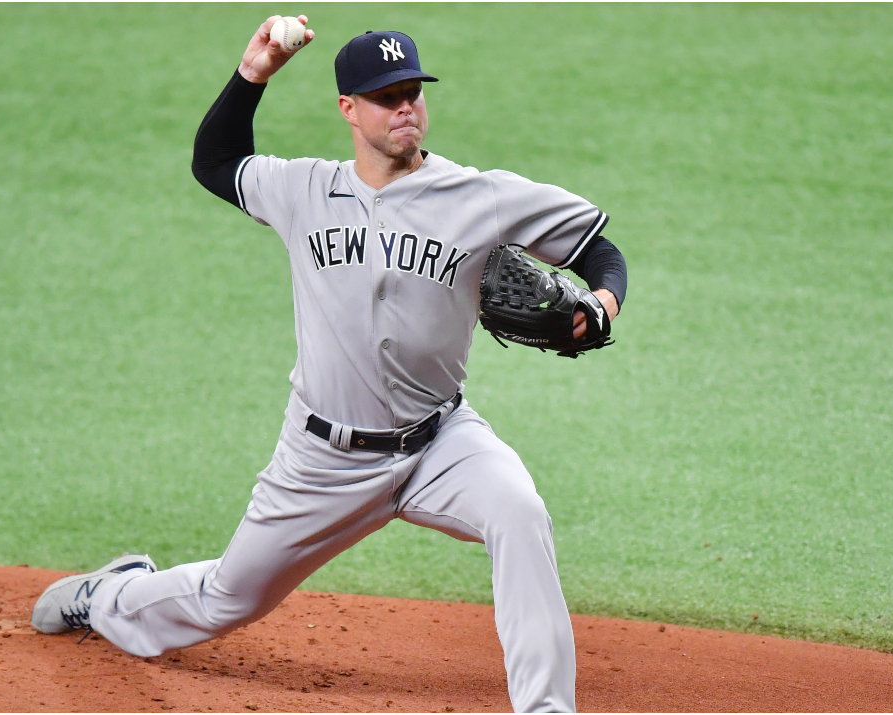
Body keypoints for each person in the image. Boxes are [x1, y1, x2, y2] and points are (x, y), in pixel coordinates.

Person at [31, 15, 627, 713]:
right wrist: (254, 73)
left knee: (519, 511)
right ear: (349, 108)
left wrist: (605, 304)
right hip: (323, 458)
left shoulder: (481, 196)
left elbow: (598, 250)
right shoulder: (303, 190)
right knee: (229, 596)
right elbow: (214, 162)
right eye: (386, 96)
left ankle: (547, 708)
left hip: (442, 442)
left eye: (413, 90)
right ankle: (114, 592)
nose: (405, 106)